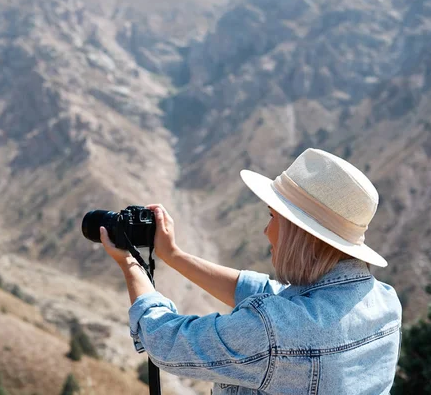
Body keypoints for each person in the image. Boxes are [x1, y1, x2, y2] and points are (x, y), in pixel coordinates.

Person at [99, 148, 402, 394]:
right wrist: (173, 255)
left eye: (273, 218)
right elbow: (272, 296)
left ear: (299, 234)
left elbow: (166, 341)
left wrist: (130, 264)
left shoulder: (278, 334)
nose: (266, 230)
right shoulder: (384, 301)